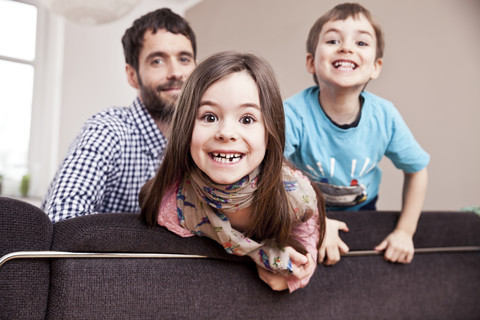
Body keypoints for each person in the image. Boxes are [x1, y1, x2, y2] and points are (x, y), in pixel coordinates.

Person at [139, 51, 326, 292]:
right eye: (209, 116)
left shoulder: (295, 194)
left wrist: (301, 263)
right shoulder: (171, 206)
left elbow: (310, 219)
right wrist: (260, 254)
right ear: (186, 128)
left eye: (247, 119)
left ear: (270, 134)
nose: (226, 132)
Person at [284, 3, 429, 265]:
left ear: (376, 67)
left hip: (363, 209)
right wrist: (313, 222)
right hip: (302, 208)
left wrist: (405, 232)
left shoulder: (385, 117)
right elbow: (267, 171)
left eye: (361, 43)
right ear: (311, 62)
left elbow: (417, 169)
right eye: (332, 40)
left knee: (360, 266)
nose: (346, 47)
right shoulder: (293, 113)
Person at [41, 8, 197, 222]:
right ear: (133, 76)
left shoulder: (201, 141)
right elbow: (62, 219)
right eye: (157, 61)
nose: (176, 72)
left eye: (184, 59)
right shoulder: (108, 131)